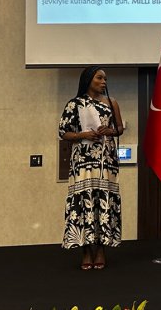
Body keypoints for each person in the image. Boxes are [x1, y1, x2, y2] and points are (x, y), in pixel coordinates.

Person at [58, 66, 124, 270]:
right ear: (88, 80)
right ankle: (86, 251)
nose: (104, 82)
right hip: (82, 160)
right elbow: (63, 132)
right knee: (84, 202)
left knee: (103, 203)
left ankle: (101, 249)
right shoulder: (74, 104)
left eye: (105, 79)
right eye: (100, 78)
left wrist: (111, 131)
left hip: (106, 160)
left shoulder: (112, 103)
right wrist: (82, 135)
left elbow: (120, 128)